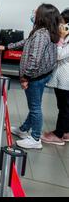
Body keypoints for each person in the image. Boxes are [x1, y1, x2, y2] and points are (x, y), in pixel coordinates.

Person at [0, 4, 59, 149]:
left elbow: (34, 60)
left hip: (35, 77)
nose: (33, 13)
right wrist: (7, 47)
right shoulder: (44, 32)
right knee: (34, 105)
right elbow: (26, 42)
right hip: (42, 75)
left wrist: (26, 78)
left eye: (36, 12)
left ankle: (35, 138)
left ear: (42, 16)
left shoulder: (41, 35)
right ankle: (24, 129)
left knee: (35, 107)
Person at [42, 9, 69, 145]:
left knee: (64, 107)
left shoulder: (66, 38)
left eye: (62, 23)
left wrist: (62, 38)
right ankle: (65, 132)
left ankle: (58, 135)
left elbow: (59, 55)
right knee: (64, 106)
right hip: (62, 78)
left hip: (65, 80)